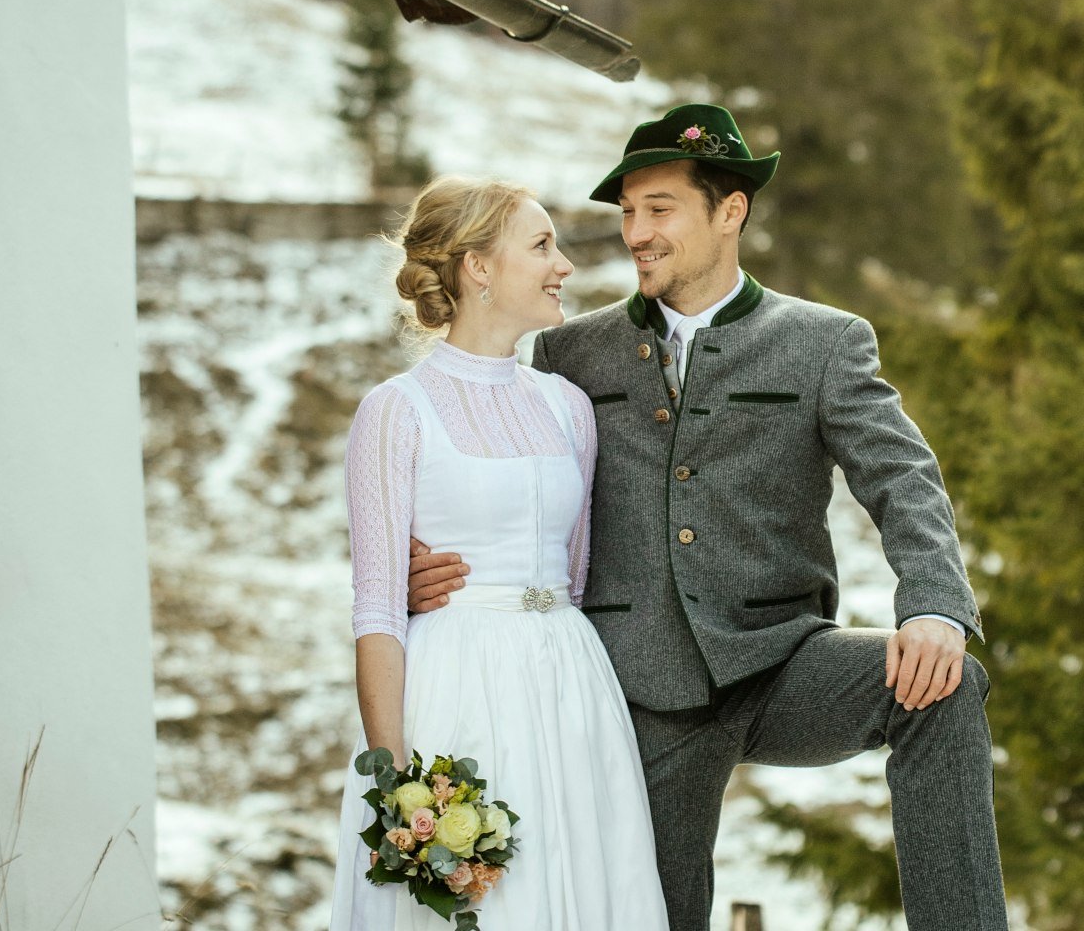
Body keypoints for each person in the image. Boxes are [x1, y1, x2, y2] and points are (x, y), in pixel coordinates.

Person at [404, 105, 1009, 931]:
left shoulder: (824, 343)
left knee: (942, 689)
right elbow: (505, 473)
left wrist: (934, 604)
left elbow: (903, 478)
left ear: (731, 212)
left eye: (660, 210)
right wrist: (436, 562)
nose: (636, 234)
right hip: (638, 687)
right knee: (655, 911)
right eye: (627, 213)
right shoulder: (570, 353)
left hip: (781, 661)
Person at [330, 177, 668, 930]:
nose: (564, 267)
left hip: (572, 689)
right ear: (478, 267)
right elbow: (379, 610)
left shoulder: (566, 406)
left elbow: (572, 579)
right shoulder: (396, 412)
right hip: (455, 691)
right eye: (542, 245)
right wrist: (398, 787)